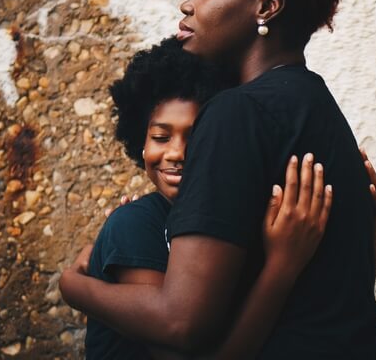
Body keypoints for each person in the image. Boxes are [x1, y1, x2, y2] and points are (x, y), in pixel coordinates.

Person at [60, 0, 376, 358]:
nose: (188, 4)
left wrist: (74, 286)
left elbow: (181, 323)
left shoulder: (237, 112)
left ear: (266, 7)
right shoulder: (317, 105)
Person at [85, 39, 333, 359]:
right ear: (141, 143)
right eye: (161, 137)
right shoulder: (135, 224)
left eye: (197, 137)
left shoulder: (225, 225)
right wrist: (281, 266)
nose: (177, 153)